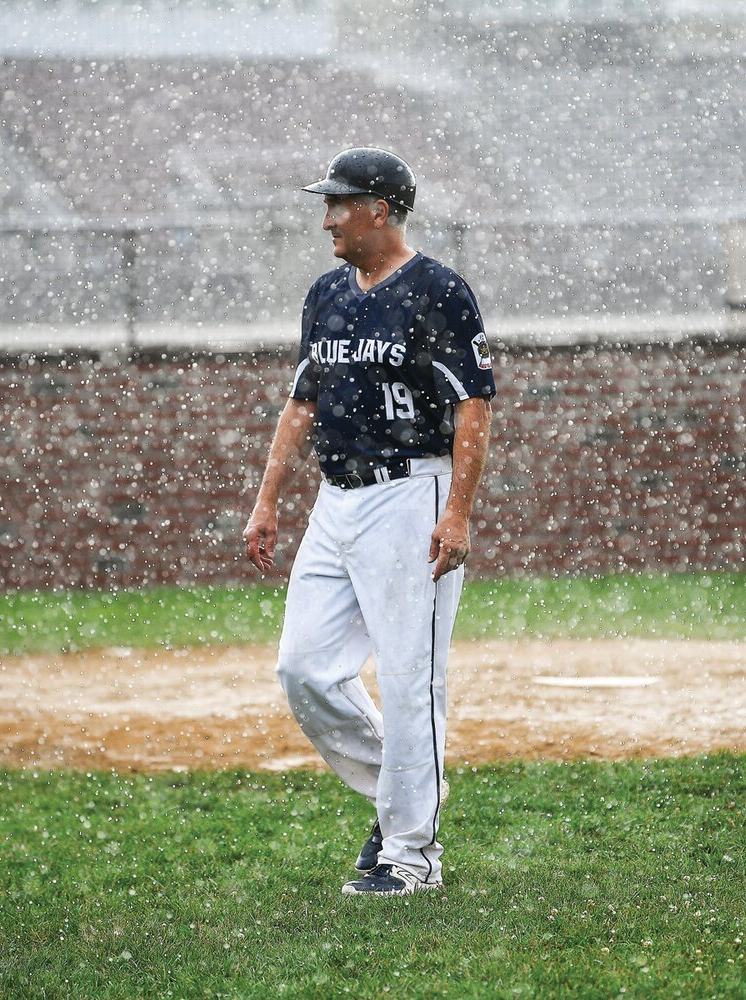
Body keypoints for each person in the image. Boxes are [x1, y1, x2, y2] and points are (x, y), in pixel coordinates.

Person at [243, 147, 496, 897]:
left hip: (410, 495)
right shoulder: (326, 293)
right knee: (304, 670)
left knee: (412, 678)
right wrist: (267, 499)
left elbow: (472, 409)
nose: (327, 219)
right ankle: (408, 796)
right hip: (337, 497)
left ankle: (412, 856)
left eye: (340, 204)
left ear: (379, 210)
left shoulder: (439, 291)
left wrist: (457, 514)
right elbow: (302, 403)